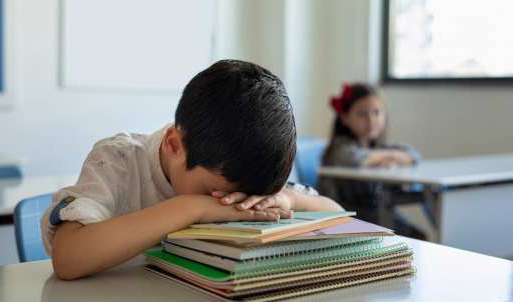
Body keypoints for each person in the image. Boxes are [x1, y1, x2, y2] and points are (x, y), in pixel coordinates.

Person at [41, 60, 344, 280]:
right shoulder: (119, 159)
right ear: (175, 145)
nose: (230, 204)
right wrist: (191, 208)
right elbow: (67, 258)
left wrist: (290, 198)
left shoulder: (248, 167)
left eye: (242, 198)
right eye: (214, 194)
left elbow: (339, 217)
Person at [318, 82, 426, 239]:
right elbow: (356, 158)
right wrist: (394, 156)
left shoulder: (379, 146)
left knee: (419, 236)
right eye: (362, 114)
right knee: (404, 238)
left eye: (377, 112)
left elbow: (414, 154)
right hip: (346, 216)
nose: (371, 119)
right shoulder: (339, 149)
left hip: (376, 211)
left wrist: (391, 158)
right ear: (345, 118)